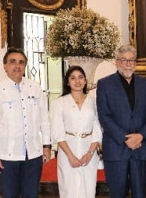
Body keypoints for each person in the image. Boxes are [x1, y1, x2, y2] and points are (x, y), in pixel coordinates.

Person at [0, 47, 51, 197]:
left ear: (25, 66)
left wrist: (46, 145)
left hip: (33, 155)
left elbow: (44, 119)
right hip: (7, 156)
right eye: (13, 62)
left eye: (21, 62)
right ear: (5, 66)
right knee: (9, 195)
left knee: (31, 195)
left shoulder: (35, 88)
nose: (17, 66)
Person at [96, 44, 146, 198]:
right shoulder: (104, 84)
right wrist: (125, 139)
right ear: (117, 62)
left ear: (135, 62)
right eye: (124, 60)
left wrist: (141, 135)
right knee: (117, 194)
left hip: (140, 149)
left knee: (140, 194)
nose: (128, 64)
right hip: (116, 149)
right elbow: (104, 116)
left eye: (131, 60)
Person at [51, 66, 102, 198]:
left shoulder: (94, 102)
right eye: (73, 78)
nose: (77, 81)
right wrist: (70, 156)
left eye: (80, 77)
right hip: (68, 148)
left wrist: (90, 153)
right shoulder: (59, 103)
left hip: (88, 149)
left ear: (85, 81)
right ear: (68, 82)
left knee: (88, 187)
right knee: (69, 188)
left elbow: (97, 129)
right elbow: (58, 132)